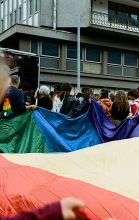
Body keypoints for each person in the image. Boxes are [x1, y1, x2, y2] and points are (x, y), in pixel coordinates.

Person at [0, 65, 86, 220]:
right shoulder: (19, 94)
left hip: (6, 121)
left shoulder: (6, 93)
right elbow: (20, 108)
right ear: (18, 83)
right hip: (16, 122)